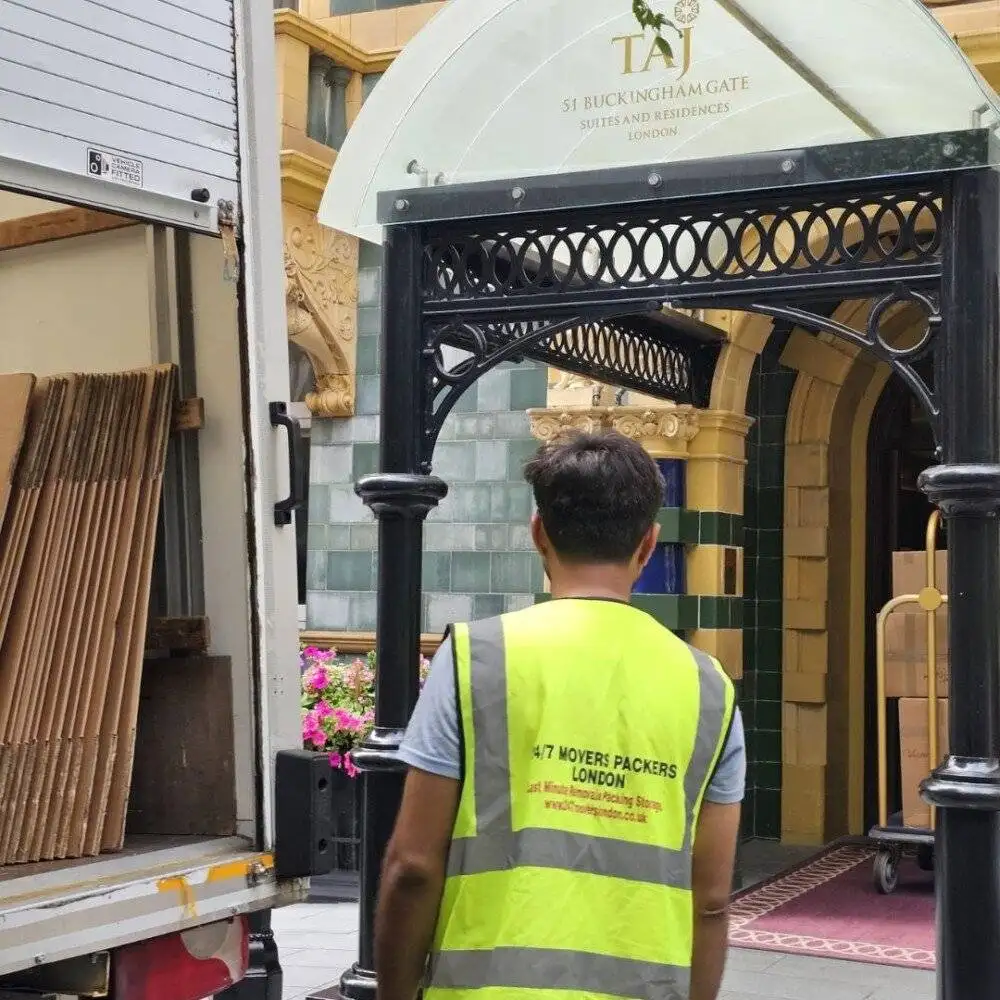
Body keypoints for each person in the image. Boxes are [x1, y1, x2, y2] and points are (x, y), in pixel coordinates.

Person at [374, 430, 746, 1000]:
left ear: (538, 533)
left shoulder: (476, 658)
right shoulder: (709, 689)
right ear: (648, 544)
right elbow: (712, 898)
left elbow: (414, 867)